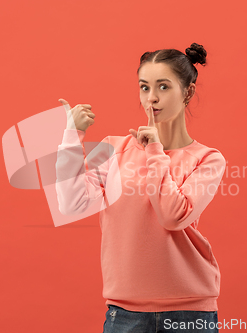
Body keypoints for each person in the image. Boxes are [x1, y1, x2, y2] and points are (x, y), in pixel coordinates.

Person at [55, 42, 226, 333]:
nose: (151, 99)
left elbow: (172, 216)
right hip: (125, 314)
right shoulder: (113, 148)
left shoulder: (208, 158)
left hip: (189, 312)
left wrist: (154, 149)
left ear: (188, 92)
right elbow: (71, 204)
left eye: (163, 87)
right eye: (144, 87)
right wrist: (71, 137)